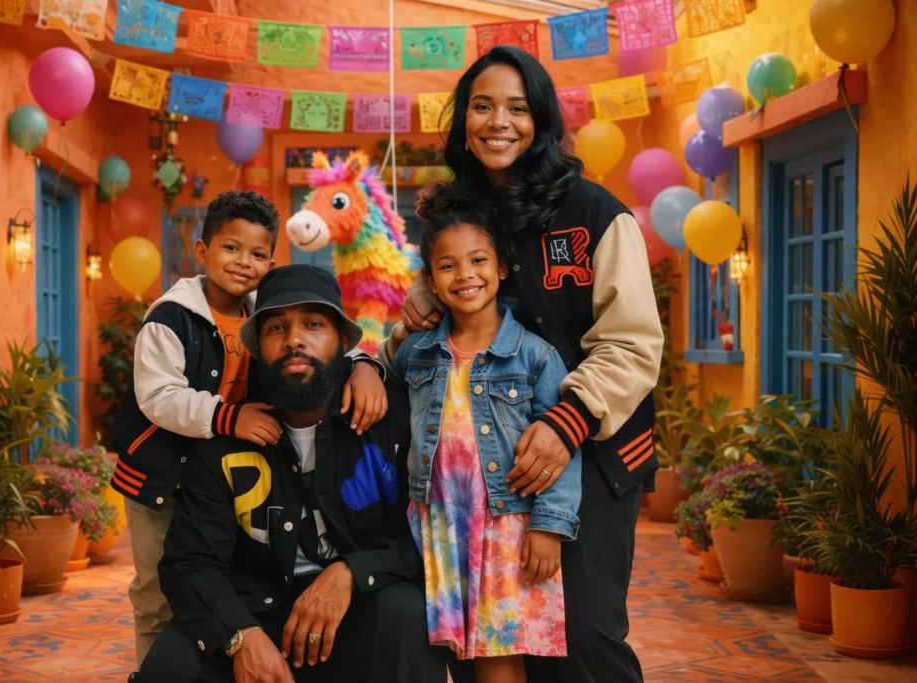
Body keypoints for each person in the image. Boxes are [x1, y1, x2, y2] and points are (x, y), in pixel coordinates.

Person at [400, 46, 664, 683]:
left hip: (593, 453)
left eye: (518, 108)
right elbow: (427, 328)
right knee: (491, 641)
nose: (499, 122)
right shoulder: (456, 219)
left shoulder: (596, 213)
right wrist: (369, 351)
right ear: (463, 119)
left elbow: (633, 344)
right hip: (485, 474)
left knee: (586, 636)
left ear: (542, 120)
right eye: (482, 106)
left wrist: (565, 420)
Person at [110, 192, 388, 667]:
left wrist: (363, 363)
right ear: (202, 253)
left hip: (222, 475)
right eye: (230, 248)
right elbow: (157, 396)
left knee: (220, 577)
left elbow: (314, 348)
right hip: (161, 480)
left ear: (271, 261)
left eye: (258, 254)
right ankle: (156, 670)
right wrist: (229, 418)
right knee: (159, 596)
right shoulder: (171, 317)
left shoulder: (265, 312)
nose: (243, 263)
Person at [138, 264, 447, 683]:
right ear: (258, 347)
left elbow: (434, 534)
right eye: (276, 328)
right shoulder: (226, 436)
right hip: (258, 614)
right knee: (169, 665)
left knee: (407, 613)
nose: (294, 339)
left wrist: (352, 572)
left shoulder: (387, 418)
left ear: (342, 341)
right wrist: (239, 636)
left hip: (358, 610)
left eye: (314, 324)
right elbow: (189, 562)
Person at [380, 181, 579, 683]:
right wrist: (367, 363)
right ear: (429, 278)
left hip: (507, 528)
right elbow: (380, 370)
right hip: (436, 523)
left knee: (498, 656)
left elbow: (563, 449)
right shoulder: (417, 352)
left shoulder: (535, 356)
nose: (465, 275)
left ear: (502, 267)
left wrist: (550, 525)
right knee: (442, 652)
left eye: (478, 261)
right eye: (447, 266)